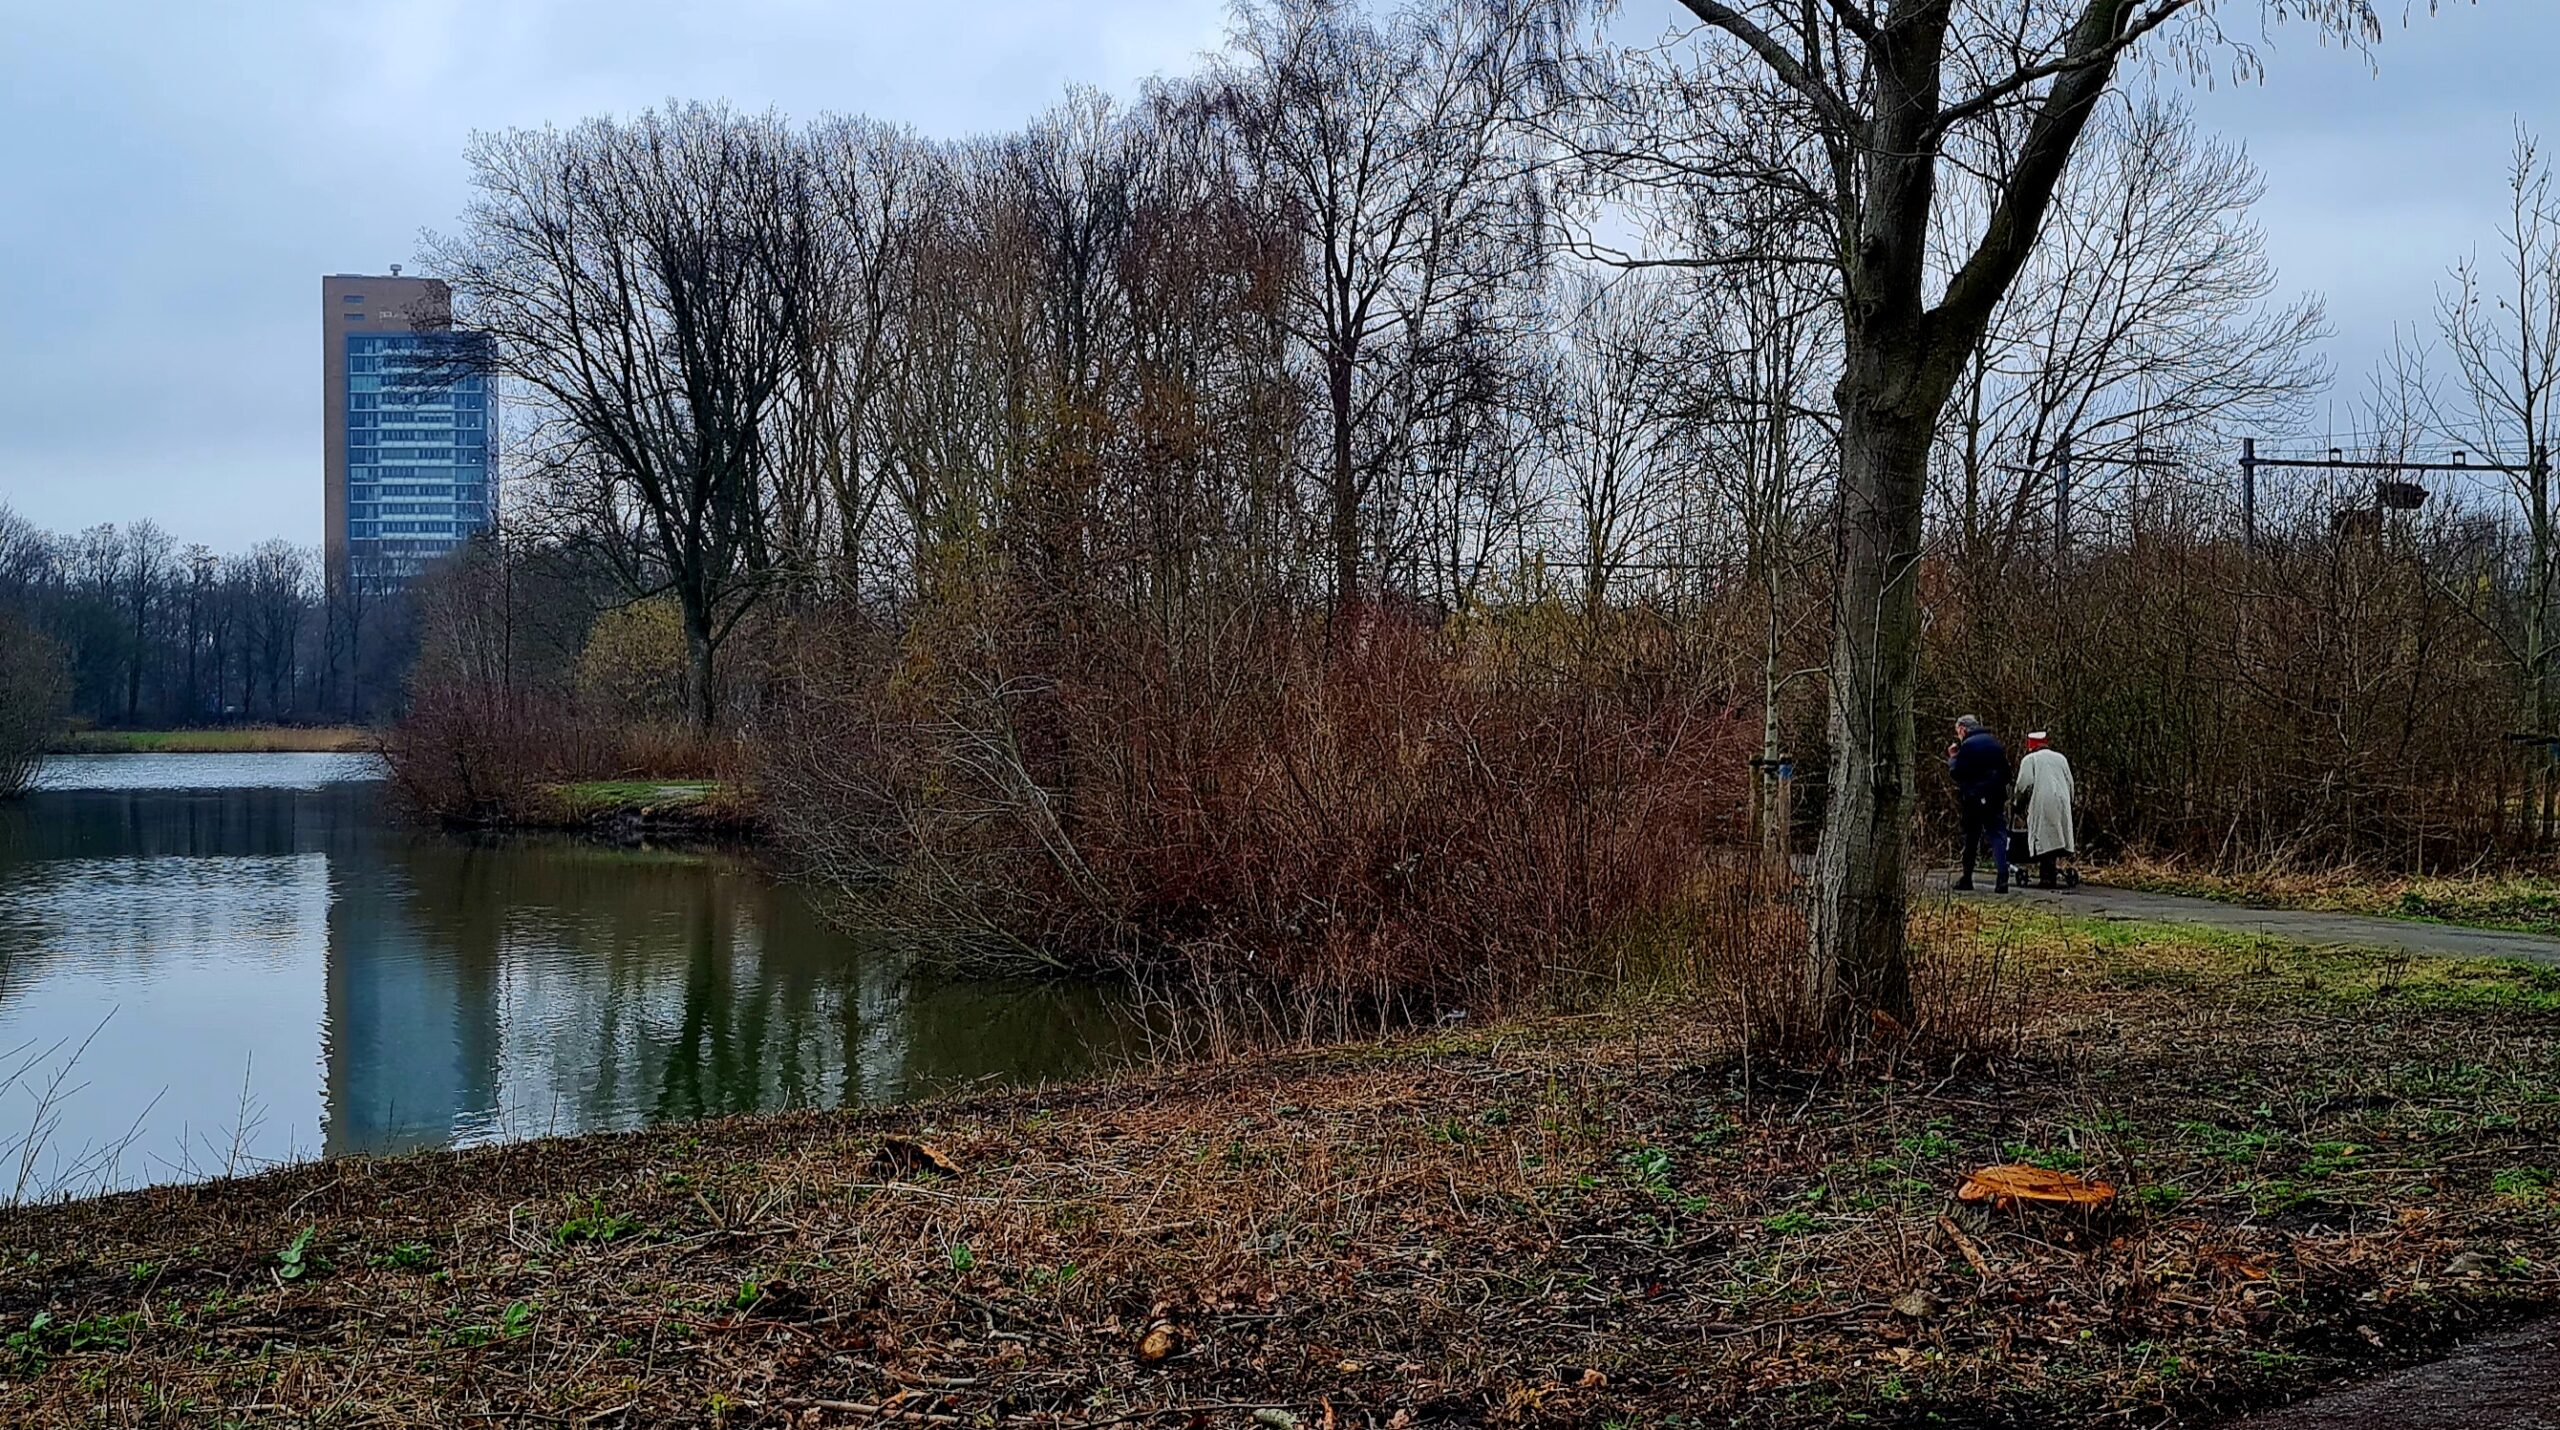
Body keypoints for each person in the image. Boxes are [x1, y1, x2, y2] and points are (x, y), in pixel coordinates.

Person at [1946, 715, 2009, 892]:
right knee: (1998, 835)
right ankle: (2002, 877)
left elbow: (1957, 773)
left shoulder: (1967, 746)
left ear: (1963, 729)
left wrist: (1952, 758)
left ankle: (1967, 878)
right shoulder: (1995, 744)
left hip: (1973, 799)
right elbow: (2007, 773)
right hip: (1995, 797)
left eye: (1958, 731)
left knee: (1971, 838)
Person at [2011, 730, 2078, 889]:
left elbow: (2024, 785)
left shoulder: (2030, 760)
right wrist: (2070, 801)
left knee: (2044, 837)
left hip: (2042, 800)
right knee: (2056, 836)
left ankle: (2047, 878)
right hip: (2062, 800)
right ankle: (2051, 873)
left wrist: (2018, 804)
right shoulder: (2060, 758)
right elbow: (2070, 783)